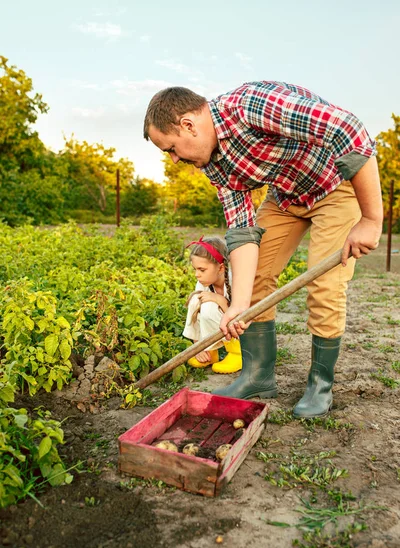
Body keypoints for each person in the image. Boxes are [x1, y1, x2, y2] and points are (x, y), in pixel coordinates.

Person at [143, 81, 383, 418]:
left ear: (188, 125)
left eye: (171, 148)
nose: (174, 158)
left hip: (335, 187)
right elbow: (241, 231)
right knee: (250, 276)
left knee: (325, 286)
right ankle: (257, 377)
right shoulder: (212, 163)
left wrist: (371, 219)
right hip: (286, 198)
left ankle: (320, 384)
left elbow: (348, 128)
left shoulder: (249, 107)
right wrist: (239, 305)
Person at [183, 236, 242, 374]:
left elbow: (242, 316)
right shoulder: (203, 283)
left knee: (209, 307)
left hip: (244, 335)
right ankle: (209, 351)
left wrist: (220, 300)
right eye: (195, 269)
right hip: (223, 329)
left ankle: (237, 353)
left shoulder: (235, 281)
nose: (197, 274)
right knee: (195, 301)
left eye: (202, 270)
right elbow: (194, 312)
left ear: (221, 268)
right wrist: (198, 346)